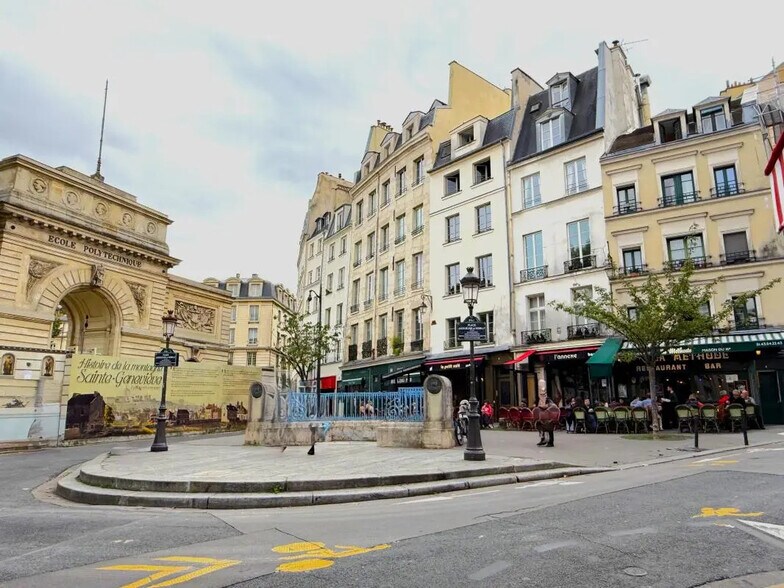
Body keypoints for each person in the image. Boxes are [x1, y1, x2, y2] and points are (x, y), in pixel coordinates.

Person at [534, 382, 557, 447]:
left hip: (549, 417)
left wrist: (545, 406)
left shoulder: (548, 400)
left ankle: (550, 442)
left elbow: (553, 406)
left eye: (543, 394)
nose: (542, 395)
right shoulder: (540, 400)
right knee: (540, 426)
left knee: (549, 428)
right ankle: (543, 439)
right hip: (542, 417)